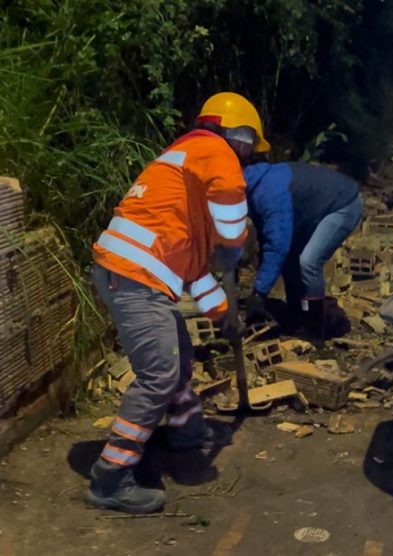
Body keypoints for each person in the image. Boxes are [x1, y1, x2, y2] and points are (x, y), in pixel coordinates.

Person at [86, 92, 270, 513]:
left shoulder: (183, 174)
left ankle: (186, 433)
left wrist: (223, 314)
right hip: (134, 278)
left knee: (179, 356)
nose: (247, 159)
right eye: (248, 150)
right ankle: (109, 478)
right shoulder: (213, 150)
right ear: (238, 137)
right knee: (159, 374)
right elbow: (230, 192)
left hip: (134, 274)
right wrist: (232, 243)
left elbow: (191, 274)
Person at [243, 161, 362, 338]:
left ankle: (314, 328)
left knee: (309, 262)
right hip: (315, 208)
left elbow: (277, 245)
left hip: (343, 205)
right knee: (291, 260)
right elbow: (268, 239)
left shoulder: (269, 194)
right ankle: (296, 315)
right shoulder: (252, 187)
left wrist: (259, 292)